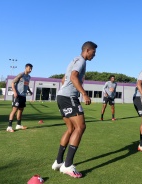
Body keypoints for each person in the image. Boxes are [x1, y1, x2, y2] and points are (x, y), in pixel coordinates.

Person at [51, 41, 97, 178]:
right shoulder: (81, 61)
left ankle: (58, 162)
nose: (94, 55)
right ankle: (68, 165)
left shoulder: (74, 59)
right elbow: (72, 76)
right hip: (69, 97)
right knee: (81, 127)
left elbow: (63, 79)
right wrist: (83, 93)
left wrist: (68, 87)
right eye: (93, 52)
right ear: (87, 50)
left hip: (61, 96)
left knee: (71, 129)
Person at [6, 63, 33, 132]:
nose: (30, 70)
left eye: (31, 69)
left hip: (23, 96)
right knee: (14, 110)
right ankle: (9, 127)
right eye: (29, 68)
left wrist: (29, 91)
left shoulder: (29, 77)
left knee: (20, 110)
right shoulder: (21, 75)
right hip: (17, 95)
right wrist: (15, 92)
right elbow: (12, 83)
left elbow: (26, 85)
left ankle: (18, 125)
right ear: (26, 68)